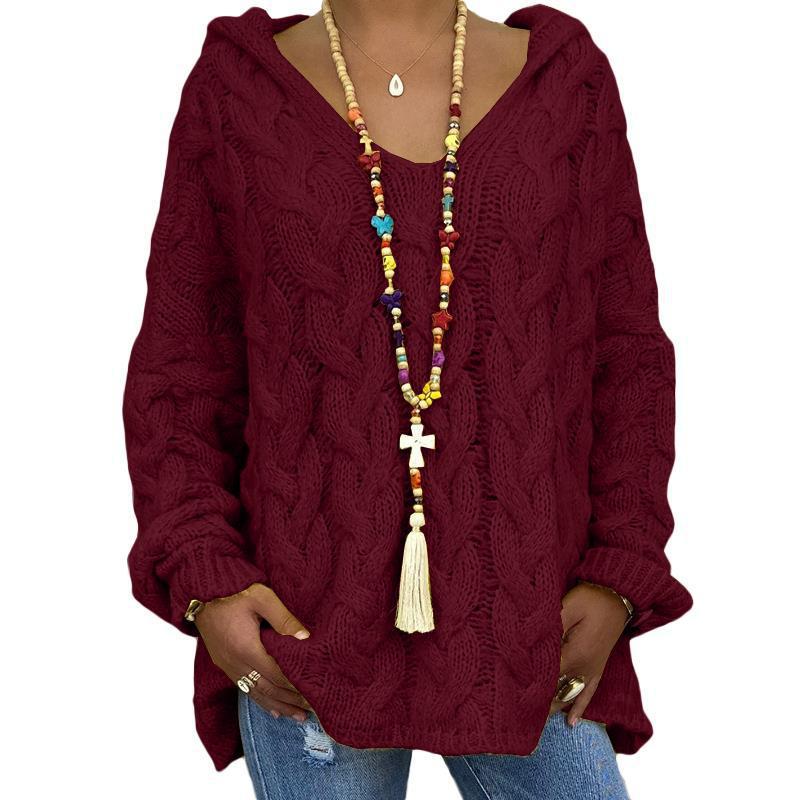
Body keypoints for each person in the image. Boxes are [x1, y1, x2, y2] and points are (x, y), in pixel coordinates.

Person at [121, 2, 692, 798]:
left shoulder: (567, 84)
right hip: (303, 636)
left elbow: (627, 356)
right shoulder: (237, 90)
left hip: (533, 630)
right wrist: (205, 577)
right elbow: (181, 368)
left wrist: (619, 573)